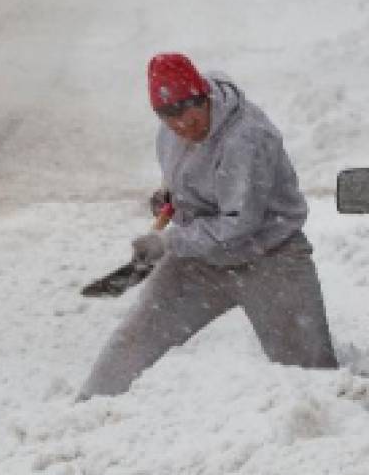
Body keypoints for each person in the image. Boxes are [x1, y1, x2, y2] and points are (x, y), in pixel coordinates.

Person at [78, 53, 339, 399]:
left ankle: (332, 438)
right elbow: (182, 180)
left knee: (311, 374)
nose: (184, 127)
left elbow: (238, 225)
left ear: (203, 97)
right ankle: (83, 415)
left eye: (190, 115)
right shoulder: (170, 134)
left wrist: (168, 244)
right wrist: (169, 198)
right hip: (200, 263)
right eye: (171, 120)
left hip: (272, 261)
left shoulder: (247, 139)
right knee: (134, 339)